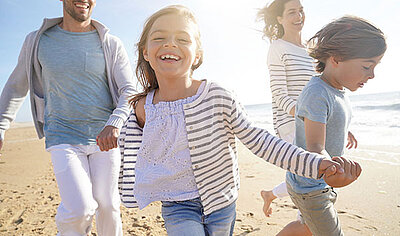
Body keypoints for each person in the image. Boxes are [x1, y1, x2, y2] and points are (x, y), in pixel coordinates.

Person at [118, 5, 361, 236]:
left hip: (222, 201)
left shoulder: (215, 95)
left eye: (183, 39)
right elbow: (132, 155)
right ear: (146, 52)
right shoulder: (143, 108)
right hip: (177, 205)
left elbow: (259, 140)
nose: (170, 43)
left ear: (197, 55)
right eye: (159, 38)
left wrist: (315, 164)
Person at [0, 0, 136, 235]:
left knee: (109, 205)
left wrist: (114, 123)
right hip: (62, 135)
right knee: (80, 208)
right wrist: (1, 124)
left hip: (105, 139)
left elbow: (129, 91)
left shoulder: (111, 43)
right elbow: (16, 86)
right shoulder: (37, 41)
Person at [257, 1, 357, 233]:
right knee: (314, 191)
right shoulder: (277, 48)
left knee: (314, 196)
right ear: (280, 19)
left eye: (301, 9)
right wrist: (311, 119)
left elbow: (326, 92)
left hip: (315, 121)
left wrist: (338, 124)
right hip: (291, 122)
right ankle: (276, 199)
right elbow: (280, 96)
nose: (299, 15)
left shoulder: (312, 50)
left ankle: (270, 195)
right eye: (291, 11)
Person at [283, 16, 386, 236]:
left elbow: (324, 120)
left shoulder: (337, 91)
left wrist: (343, 130)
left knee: (307, 227)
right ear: (337, 58)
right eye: (367, 66)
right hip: (310, 187)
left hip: (314, 183)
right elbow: (315, 146)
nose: (372, 75)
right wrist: (334, 171)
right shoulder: (317, 93)